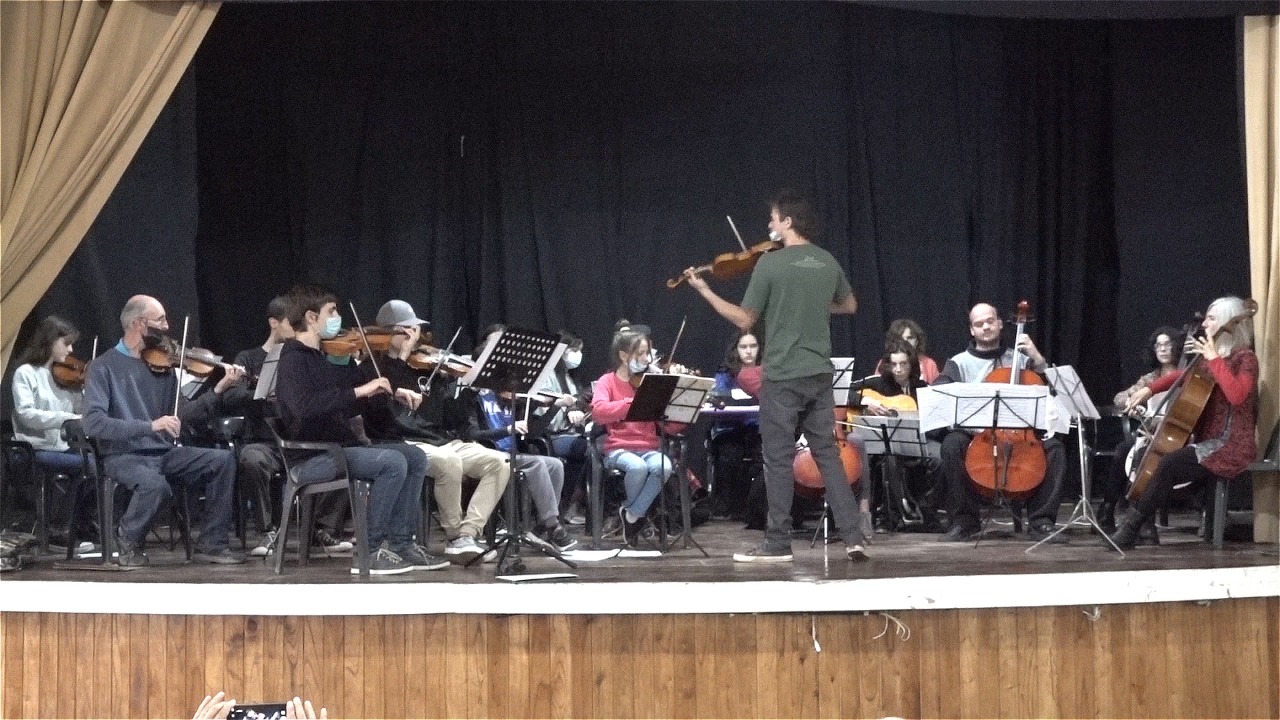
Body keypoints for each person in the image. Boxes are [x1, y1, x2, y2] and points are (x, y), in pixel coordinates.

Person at [682, 190, 864, 562]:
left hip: (781, 374)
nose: (769, 225)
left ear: (788, 223)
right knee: (828, 455)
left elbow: (745, 320)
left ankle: (777, 543)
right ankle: (854, 538)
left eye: (774, 218)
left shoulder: (771, 264)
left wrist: (705, 291)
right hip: (818, 373)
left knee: (777, 459)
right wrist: (809, 306)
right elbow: (849, 305)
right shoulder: (826, 260)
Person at [272, 284, 431, 575]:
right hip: (311, 457)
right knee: (392, 462)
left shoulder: (319, 358)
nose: (337, 318)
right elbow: (304, 407)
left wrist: (388, 392)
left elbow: (345, 401)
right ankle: (368, 553)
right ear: (311, 317)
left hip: (338, 449)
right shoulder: (293, 359)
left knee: (415, 457)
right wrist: (360, 391)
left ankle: (400, 543)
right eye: (331, 312)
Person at [81, 295, 245, 566]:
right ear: (139, 324)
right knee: (154, 485)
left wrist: (219, 389)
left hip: (163, 453)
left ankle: (212, 544)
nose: (167, 327)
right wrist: (150, 425)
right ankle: (128, 541)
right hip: (123, 456)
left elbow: (182, 414)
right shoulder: (103, 367)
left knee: (222, 461)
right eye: (160, 320)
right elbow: (93, 423)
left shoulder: (163, 367)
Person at [1108, 296, 1257, 549]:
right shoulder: (1213, 358)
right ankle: (1137, 527)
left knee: (1170, 463)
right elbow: (1182, 376)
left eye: (1211, 318)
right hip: (1210, 442)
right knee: (1161, 459)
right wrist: (1149, 390)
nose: (1205, 324)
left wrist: (1214, 360)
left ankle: (1131, 528)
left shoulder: (1245, 359)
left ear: (1226, 321)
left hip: (1231, 445)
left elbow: (1237, 395)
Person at [932, 303, 1067, 543]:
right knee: (952, 444)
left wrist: (1038, 360)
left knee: (1055, 448)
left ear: (1000, 324)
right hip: (977, 435)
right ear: (971, 330)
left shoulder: (1022, 361)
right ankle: (965, 521)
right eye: (978, 323)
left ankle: (1041, 522)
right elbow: (940, 395)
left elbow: (1056, 393)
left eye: (990, 321)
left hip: (1021, 436)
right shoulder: (958, 363)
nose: (985, 327)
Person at [591, 329, 687, 548]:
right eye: (641, 353)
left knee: (664, 466)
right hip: (619, 447)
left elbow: (667, 426)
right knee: (637, 468)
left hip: (649, 446)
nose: (647, 359)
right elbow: (598, 411)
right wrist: (630, 403)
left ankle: (632, 514)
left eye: (647, 353)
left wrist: (683, 413)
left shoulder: (650, 382)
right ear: (624, 356)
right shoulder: (607, 381)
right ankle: (637, 517)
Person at [11, 316, 93, 547]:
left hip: (64, 446)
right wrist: (66, 417)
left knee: (98, 467)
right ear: (50, 341)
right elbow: (26, 413)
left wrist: (87, 392)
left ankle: (74, 524)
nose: (71, 349)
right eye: (66, 343)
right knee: (83, 466)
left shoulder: (68, 376)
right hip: (35, 447)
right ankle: (58, 527)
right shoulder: (26, 373)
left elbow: (81, 413)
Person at [1097, 325, 1185, 532]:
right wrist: (1131, 401)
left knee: (1144, 456)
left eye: (1168, 344)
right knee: (1122, 450)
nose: (1163, 349)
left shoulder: (1187, 375)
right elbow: (1119, 398)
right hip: (1152, 433)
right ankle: (1107, 509)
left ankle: (1141, 519)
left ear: (1177, 347)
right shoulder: (1150, 378)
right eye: (1158, 345)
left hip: (1178, 436)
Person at [707, 330, 764, 520]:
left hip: (758, 427)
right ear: (736, 350)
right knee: (730, 453)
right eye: (743, 347)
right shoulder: (725, 373)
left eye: (753, 346)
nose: (748, 351)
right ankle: (727, 506)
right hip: (730, 427)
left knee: (764, 455)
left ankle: (757, 508)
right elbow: (720, 396)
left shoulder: (769, 370)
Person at [875, 319, 940, 383]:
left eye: (910, 338)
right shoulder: (884, 363)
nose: (905, 341)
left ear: (917, 341)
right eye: (900, 338)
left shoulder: (929, 364)